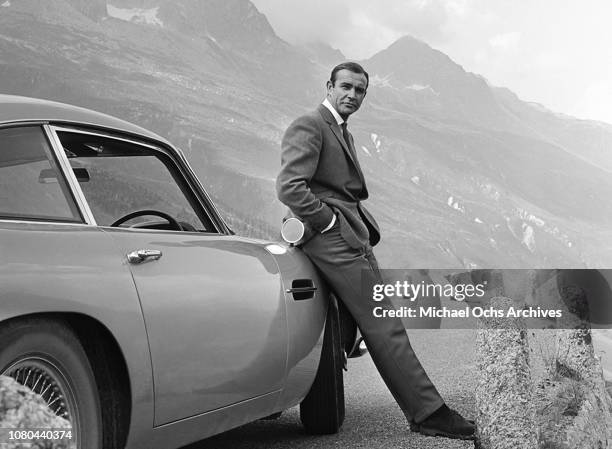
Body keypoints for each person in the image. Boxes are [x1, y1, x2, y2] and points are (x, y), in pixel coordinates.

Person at [276, 62, 476, 440]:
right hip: (331, 238)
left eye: (360, 91)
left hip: (351, 235)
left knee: (359, 321)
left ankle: (331, 401)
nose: (352, 95)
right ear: (329, 86)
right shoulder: (310, 124)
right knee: (384, 324)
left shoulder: (339, 128)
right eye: (346, 87)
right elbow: (289, 186)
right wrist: (328, 222)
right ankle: (429, 412)